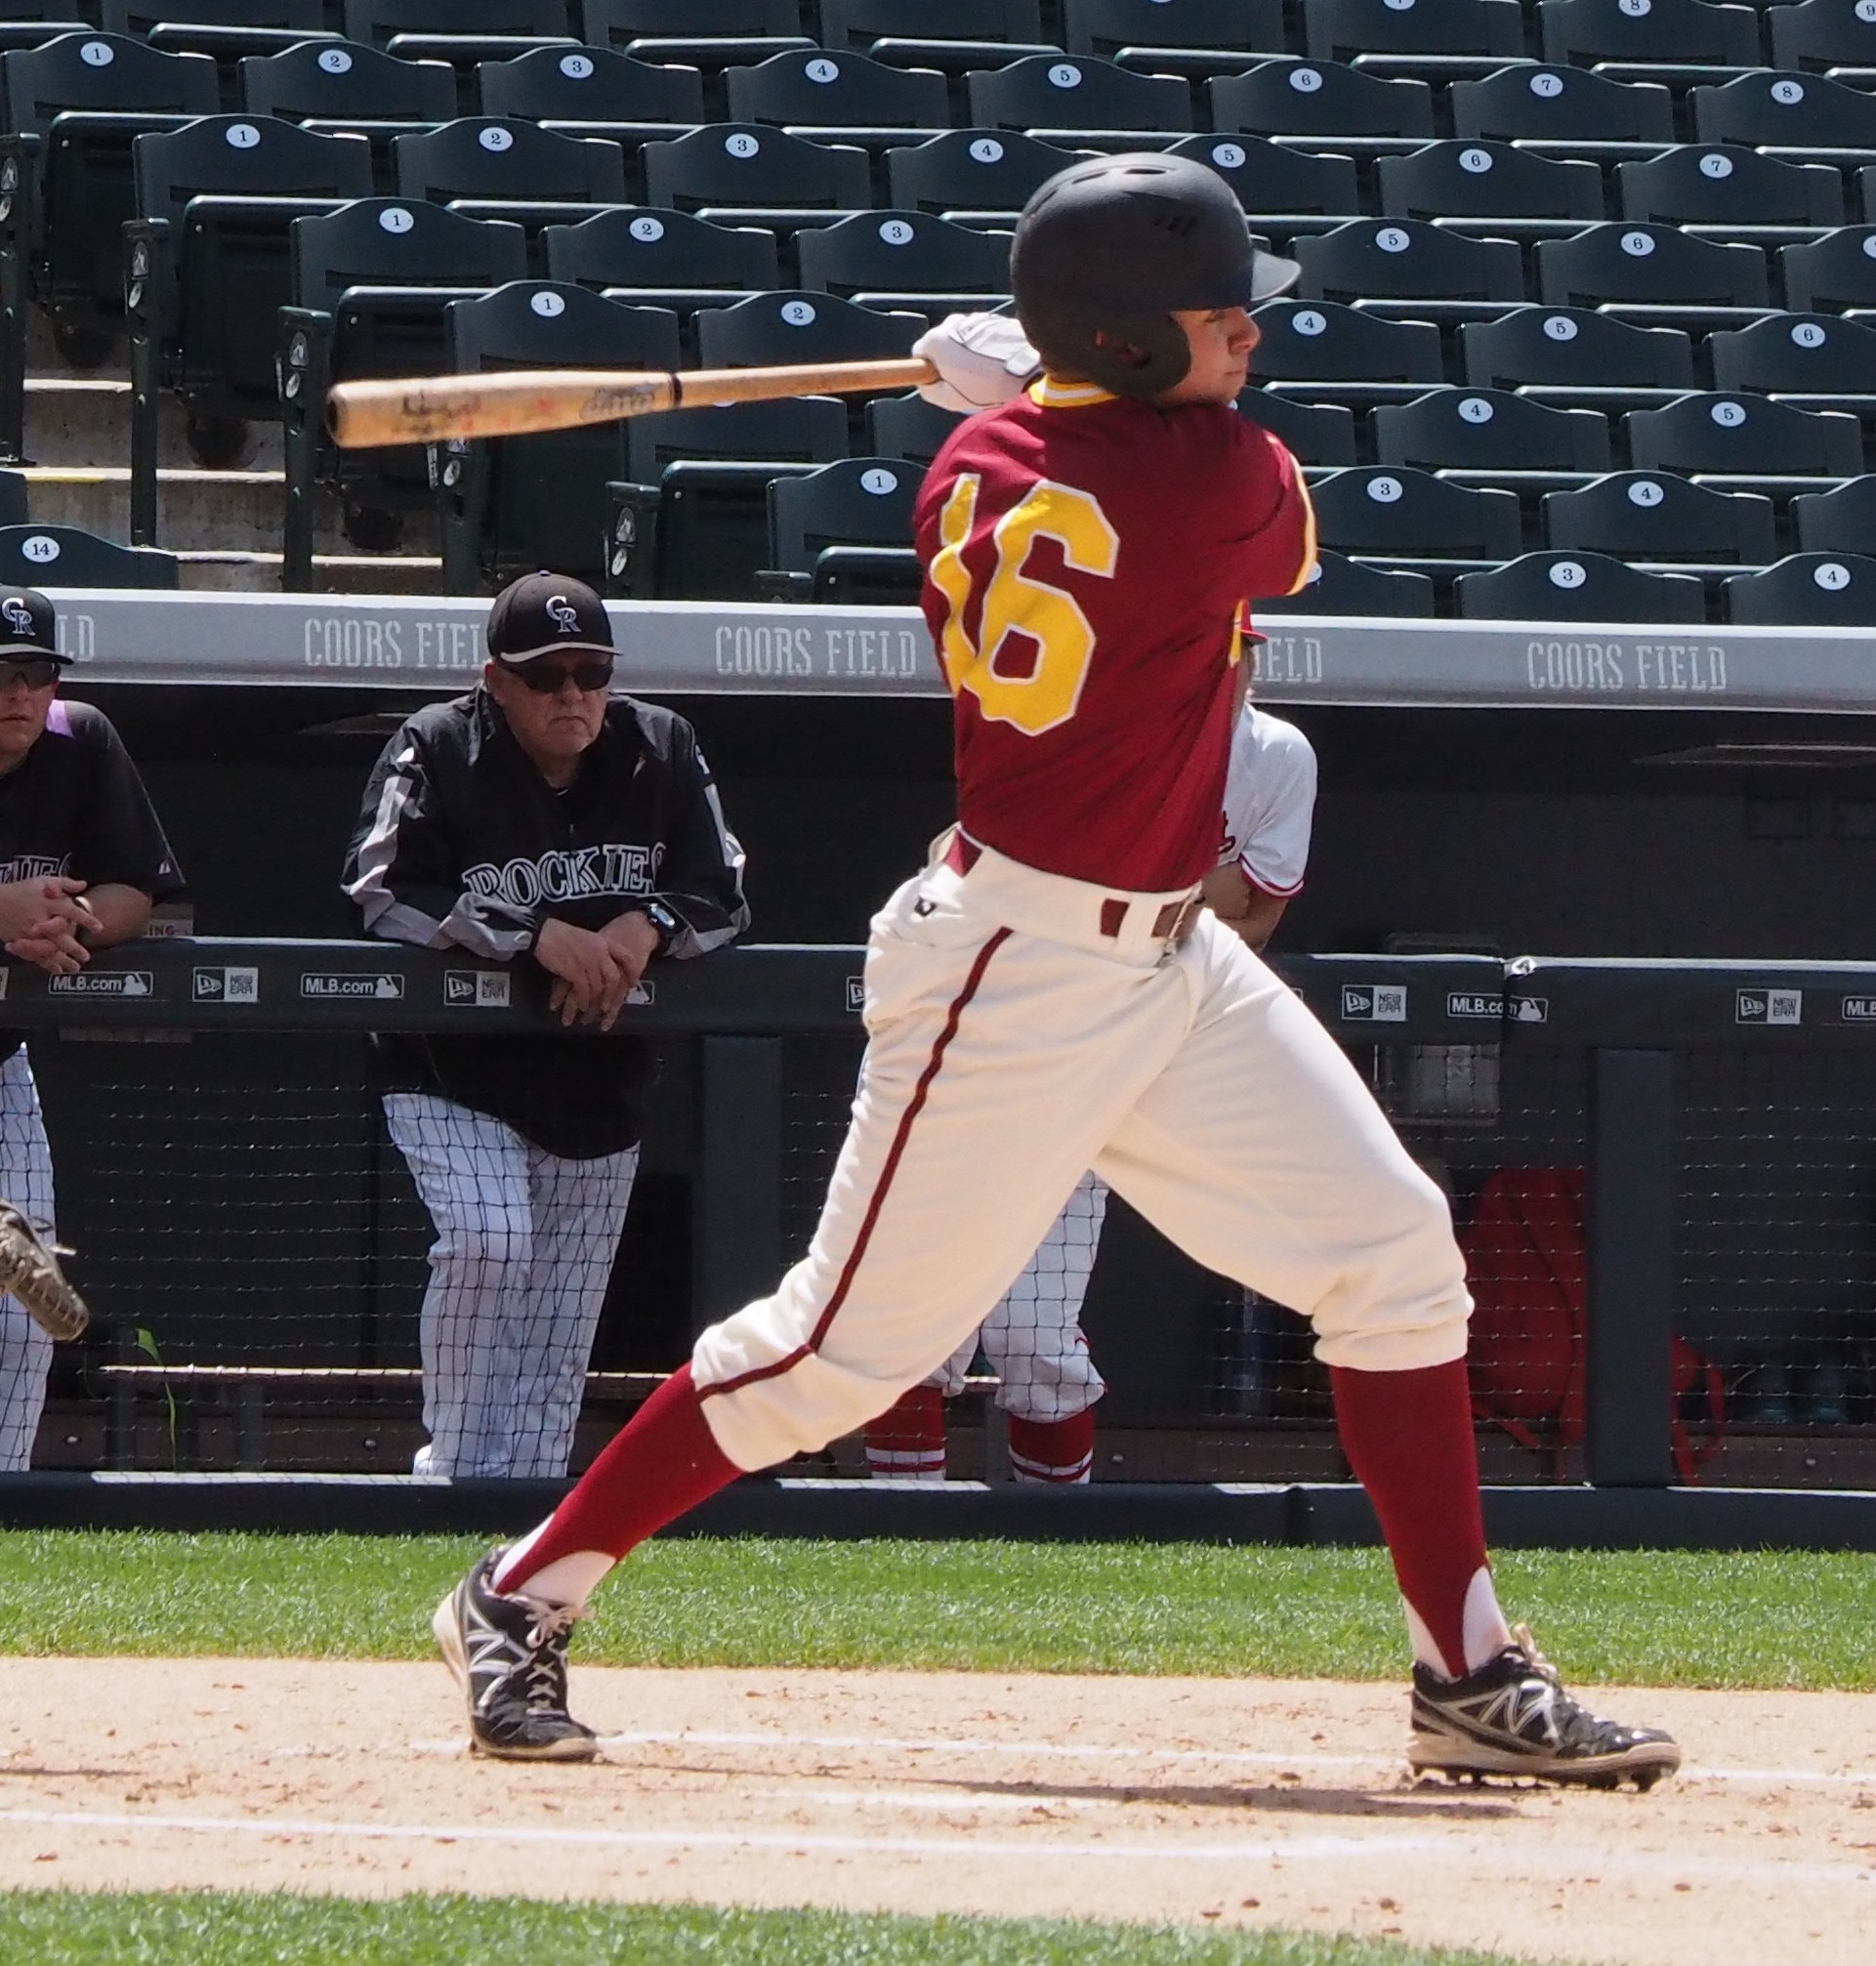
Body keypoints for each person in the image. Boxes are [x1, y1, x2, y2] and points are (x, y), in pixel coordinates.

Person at [429, 156, 1682, 1791]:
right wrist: (1038, 378)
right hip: (1012, 968)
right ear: (1133, 344)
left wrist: (1025, 391)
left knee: (1395, 1254)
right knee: (839, 1354)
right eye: (1217, 316)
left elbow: (1059, 458)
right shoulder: (1208, 475)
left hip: (1165, 955)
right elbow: (1278, 534)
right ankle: (518, 1594)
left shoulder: (967, 459)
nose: (1249, 333)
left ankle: (1468, 1667)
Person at [343, 572, 748, 1481]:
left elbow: (722, 892)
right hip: (454, 1073)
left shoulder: (660, 744)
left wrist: (644, 926)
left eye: (590, 671)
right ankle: (450, 1472)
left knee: (558, 1324)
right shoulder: (437, 744)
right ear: (497, 680)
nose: (573, 693)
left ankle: (516, 1514)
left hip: (596, 1081)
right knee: (490, 1241)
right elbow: (382, 890)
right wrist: (535, 938)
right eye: (547, 675)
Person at [862, 674, 1317, 1483]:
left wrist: (1130, 892)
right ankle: (906, 1538)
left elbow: (1253, 917)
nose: (1225, 663)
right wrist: (1167, 896)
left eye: (1238, 646)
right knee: (917, 1324)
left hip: (1099, 1057)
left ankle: (1053, 1551)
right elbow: (978, 869)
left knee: (1037, 1336)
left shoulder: (1274, 753)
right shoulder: (1092, 726)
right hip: (973, 1040)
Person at [0, 584, 185, 1467]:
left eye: (35, 672)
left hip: (1, 1062)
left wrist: (69, 927)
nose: (18, 693)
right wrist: (4, 912)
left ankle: (6, 1487)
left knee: (29, 1297)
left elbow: (131, 890)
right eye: (1, 672)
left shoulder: (83, 739)